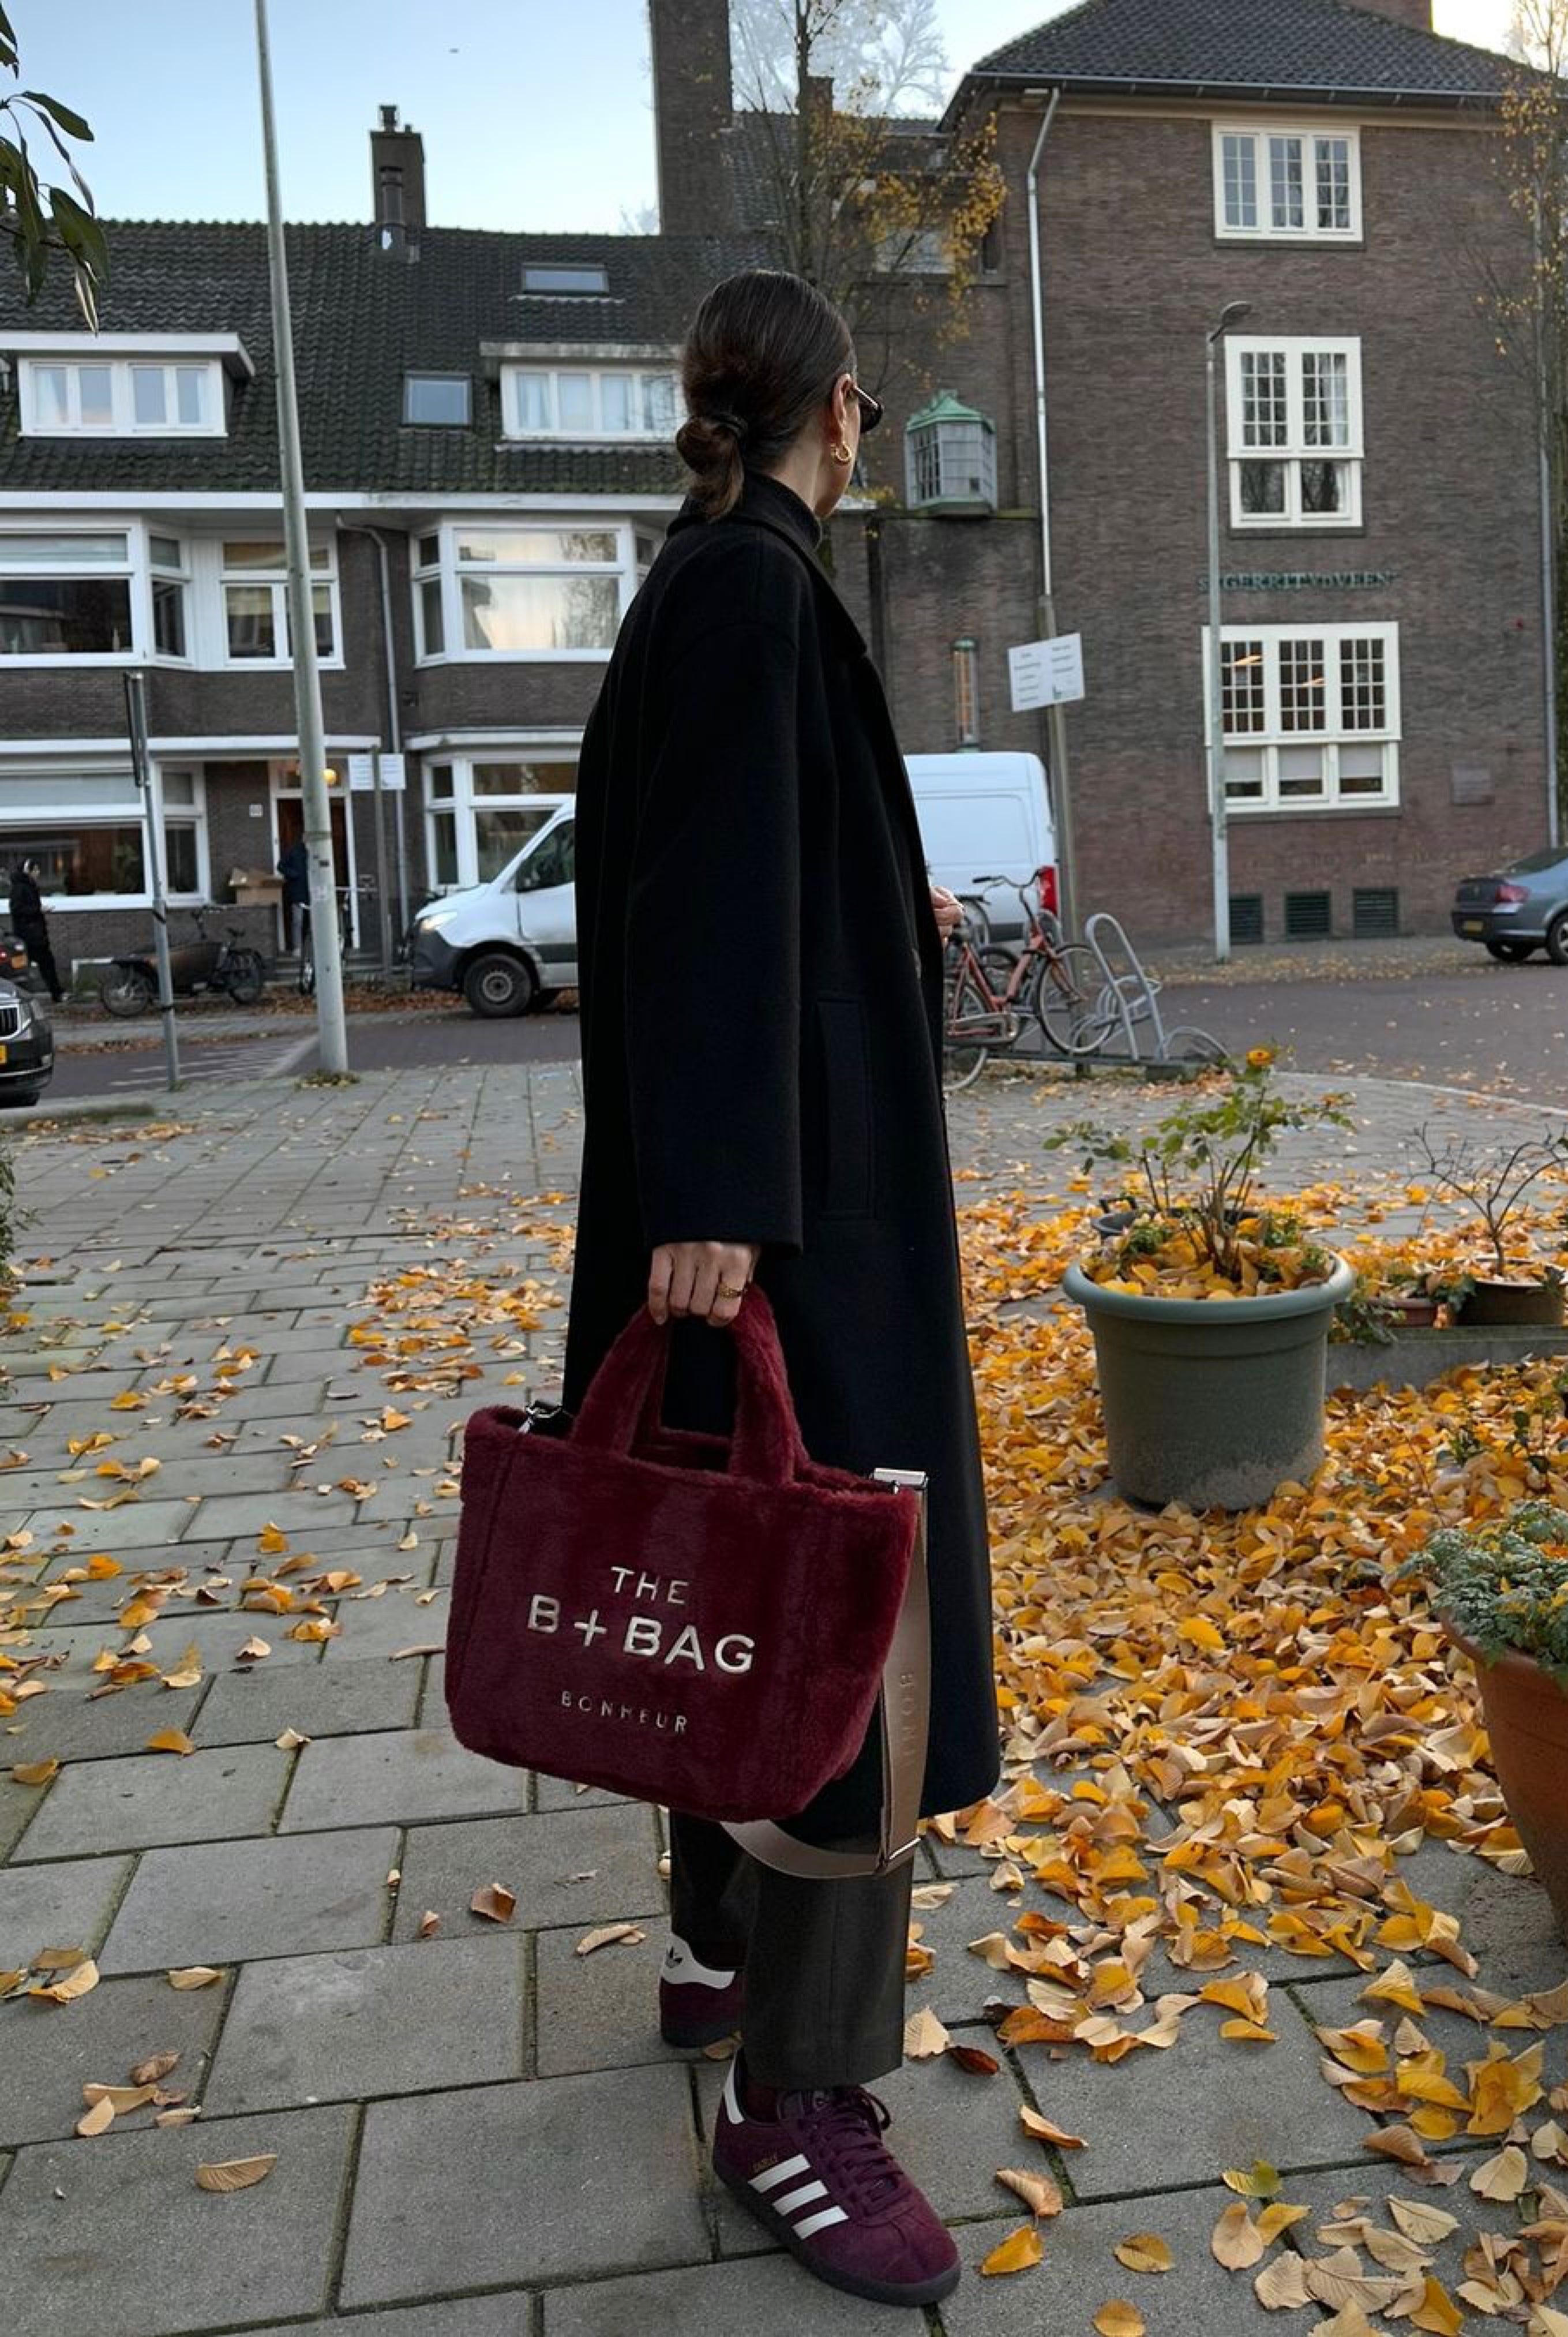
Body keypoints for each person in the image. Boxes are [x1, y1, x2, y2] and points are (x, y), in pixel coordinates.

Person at [561, 269, 997, 2311]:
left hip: (773, 1196)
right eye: (876, 413)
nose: (871, 437)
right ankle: (795, 2102)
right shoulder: (752, 588)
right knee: (850, 1637)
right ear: (837, 410)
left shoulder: (709, 583)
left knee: (734, 1589)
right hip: (799, 1226)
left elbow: (734, 865)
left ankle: (712, 1947)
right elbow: (707, 890)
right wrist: (727, 1182)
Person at [7, 858, 62, 1003]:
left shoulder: (29, 886)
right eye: (36, 870)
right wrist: (38, 910)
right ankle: (56, 993)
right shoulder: (20, 888)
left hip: (34, 934)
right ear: (28, 871)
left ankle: (56, 993)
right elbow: (17, 910)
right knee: (45, 963)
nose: (38, 873)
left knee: (42, 964)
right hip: (30, 935)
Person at [276, 837, 310, 959]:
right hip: (298, 892)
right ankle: (297, 948)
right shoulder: (294, 851)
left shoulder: (319, 851)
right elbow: (281, 866)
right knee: (298, 921)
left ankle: (313, 947)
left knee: (313, 922)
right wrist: (294, 875)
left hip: (315, 893)